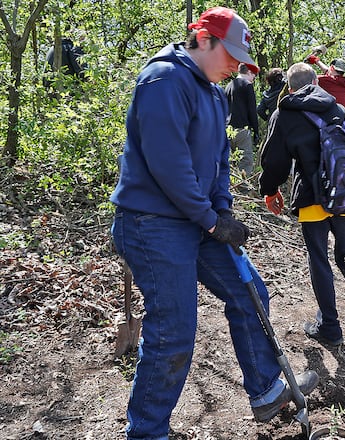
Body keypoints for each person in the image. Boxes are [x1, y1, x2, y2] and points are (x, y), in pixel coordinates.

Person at [109, 8, 318, 438]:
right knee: (174, 331)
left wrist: (222, 209)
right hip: (153, 223)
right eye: (231, 54)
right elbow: (169, 165)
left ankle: (265, 390)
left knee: (249, 291)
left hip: (196, 221)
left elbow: (219, 159)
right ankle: (147, 432)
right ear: (202, 39)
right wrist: (210, 220)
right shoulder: (164, 80)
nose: (236, 66)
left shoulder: (213, 92)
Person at [258, 62, 345, 346]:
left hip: (313, 195)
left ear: (289, 88)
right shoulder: (338, 109)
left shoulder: (284, 113)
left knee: (319, 257)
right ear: (316, 81)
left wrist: (270, 189)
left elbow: (274, 160)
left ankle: (330, 326)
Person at [225, 63, 260, 178]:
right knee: (245, 162)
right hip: (242, 130)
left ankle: (231, 189)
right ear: (249, 72)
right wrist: (256, 131)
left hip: (228, 130)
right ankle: (243, 190)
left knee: (231, 163)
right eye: (254, 74)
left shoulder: (229, 85)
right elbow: (252, 110)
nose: (254, 77)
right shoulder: (247, 85)